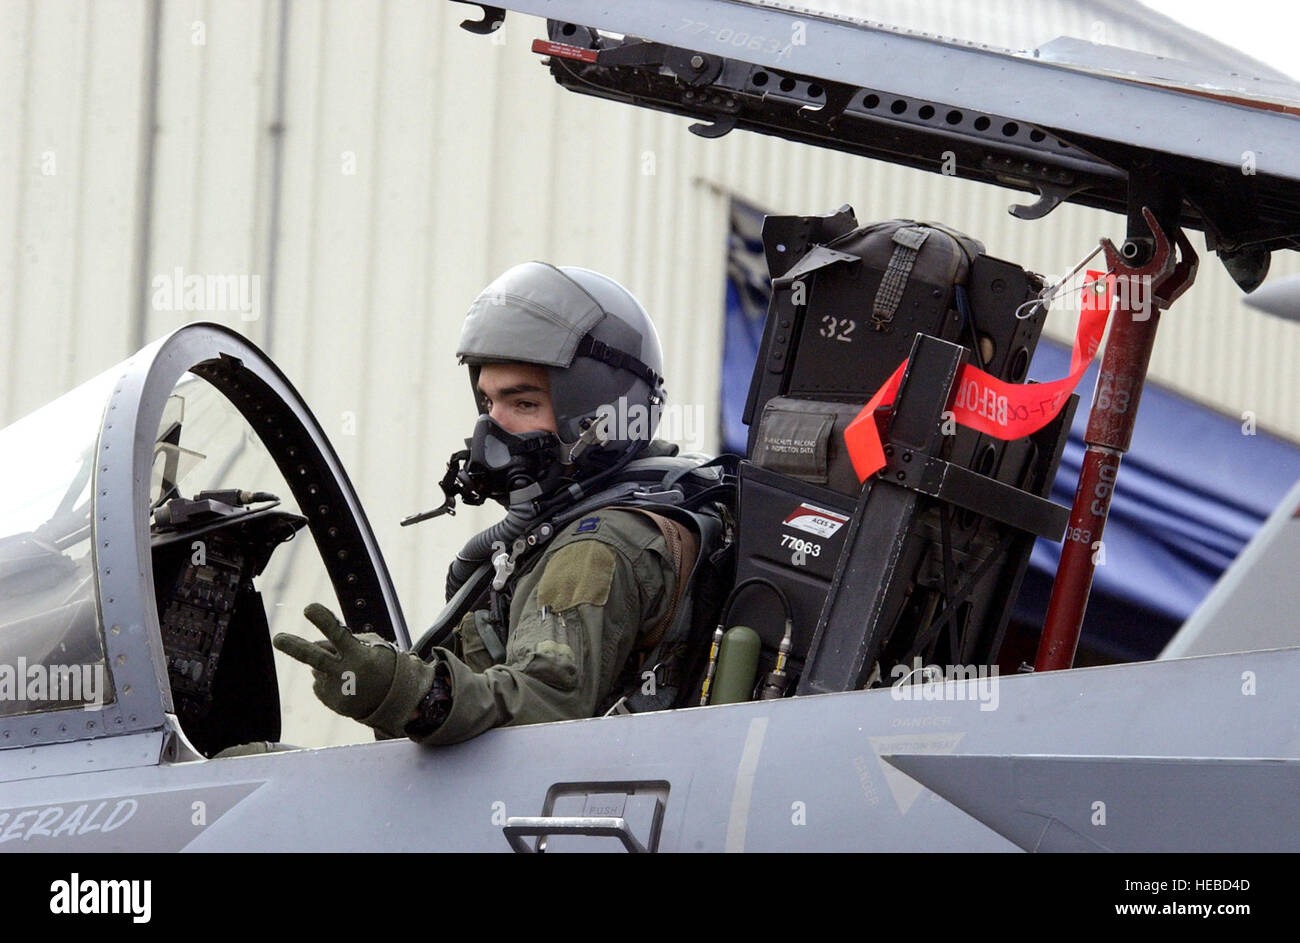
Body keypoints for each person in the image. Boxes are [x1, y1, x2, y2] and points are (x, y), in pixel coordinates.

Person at [274, 262, 688, 744]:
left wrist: (404, 691)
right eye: (488, 402)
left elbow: (543, 707)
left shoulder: (595, 548)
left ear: (600, 416)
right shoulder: (651, 498)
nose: (491, 428)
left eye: (524, 403)